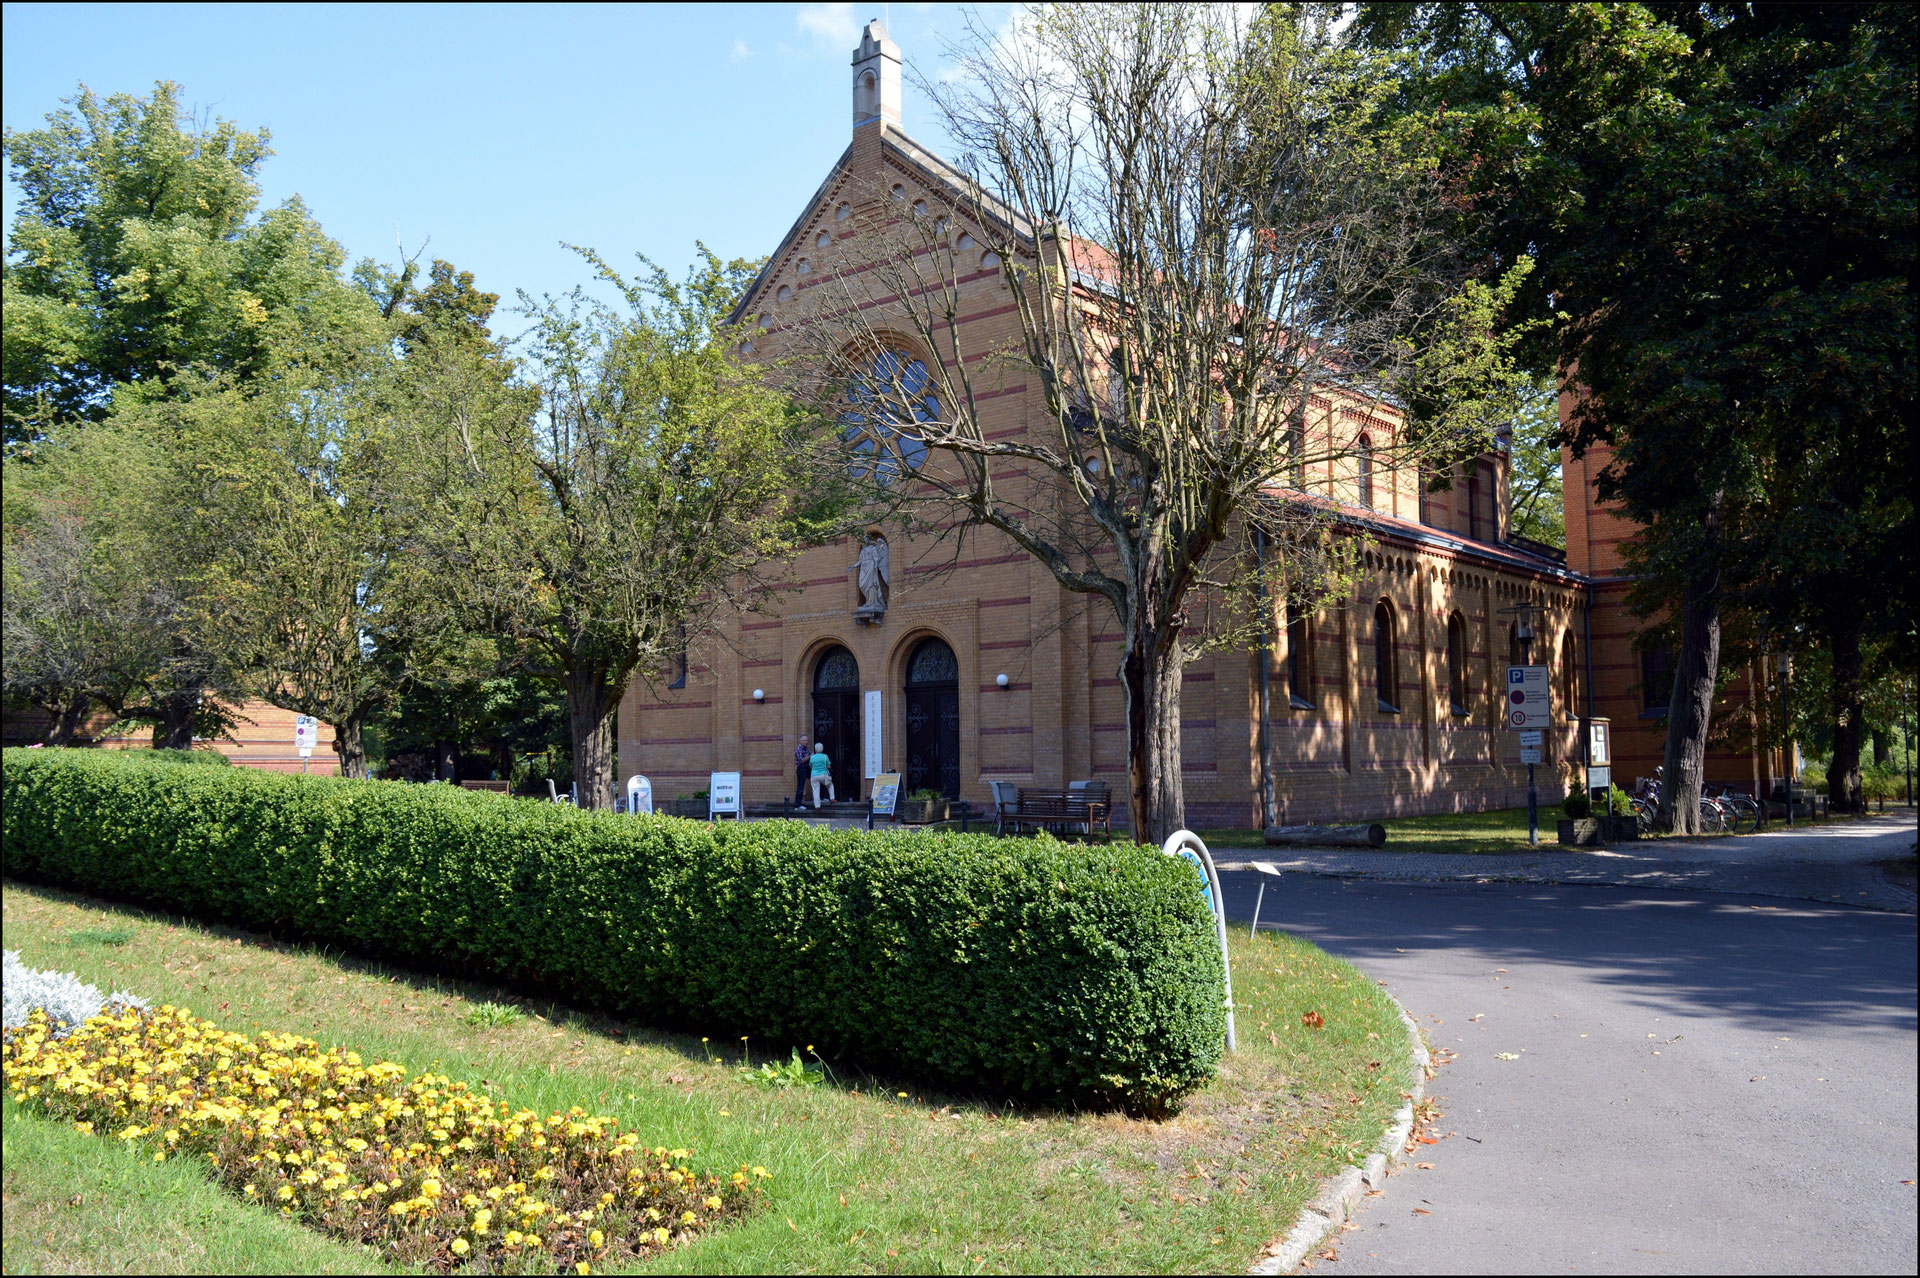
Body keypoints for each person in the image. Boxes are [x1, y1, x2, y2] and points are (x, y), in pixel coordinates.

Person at [809, 741, 835, 808]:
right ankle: (832, 798)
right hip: (824, 774)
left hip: (814, 775)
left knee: (815, 791)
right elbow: (829, 766)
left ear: (815, 749)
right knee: (830, 785)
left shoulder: (812, 757)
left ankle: (817, 807)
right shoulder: (825, 756)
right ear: (822, 748)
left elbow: (811, 766)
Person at [793, 735, 811, 807]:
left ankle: (821, 797)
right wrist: (809, 756)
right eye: (805, 740)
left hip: (807, 768)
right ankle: (797, 805)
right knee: (800, 787)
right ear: (801, 741)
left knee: (815, 780)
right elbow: (801, 760)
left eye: (807, 740)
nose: (807, 742)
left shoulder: (806, 749)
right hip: (801, 769)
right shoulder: (799, 749)